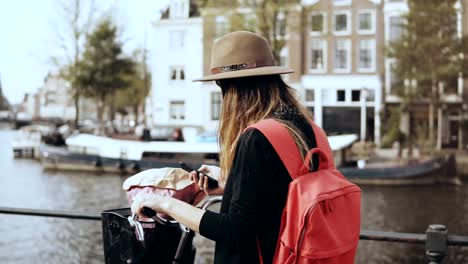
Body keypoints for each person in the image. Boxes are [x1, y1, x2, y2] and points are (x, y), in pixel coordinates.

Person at [131, 31, 318, 263]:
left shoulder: (256, 137)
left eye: (220, 85)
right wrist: (230, 187)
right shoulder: (303, 126)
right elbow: (280, 196)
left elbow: (235, 230)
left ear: (232, 87)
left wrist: (163, 203)